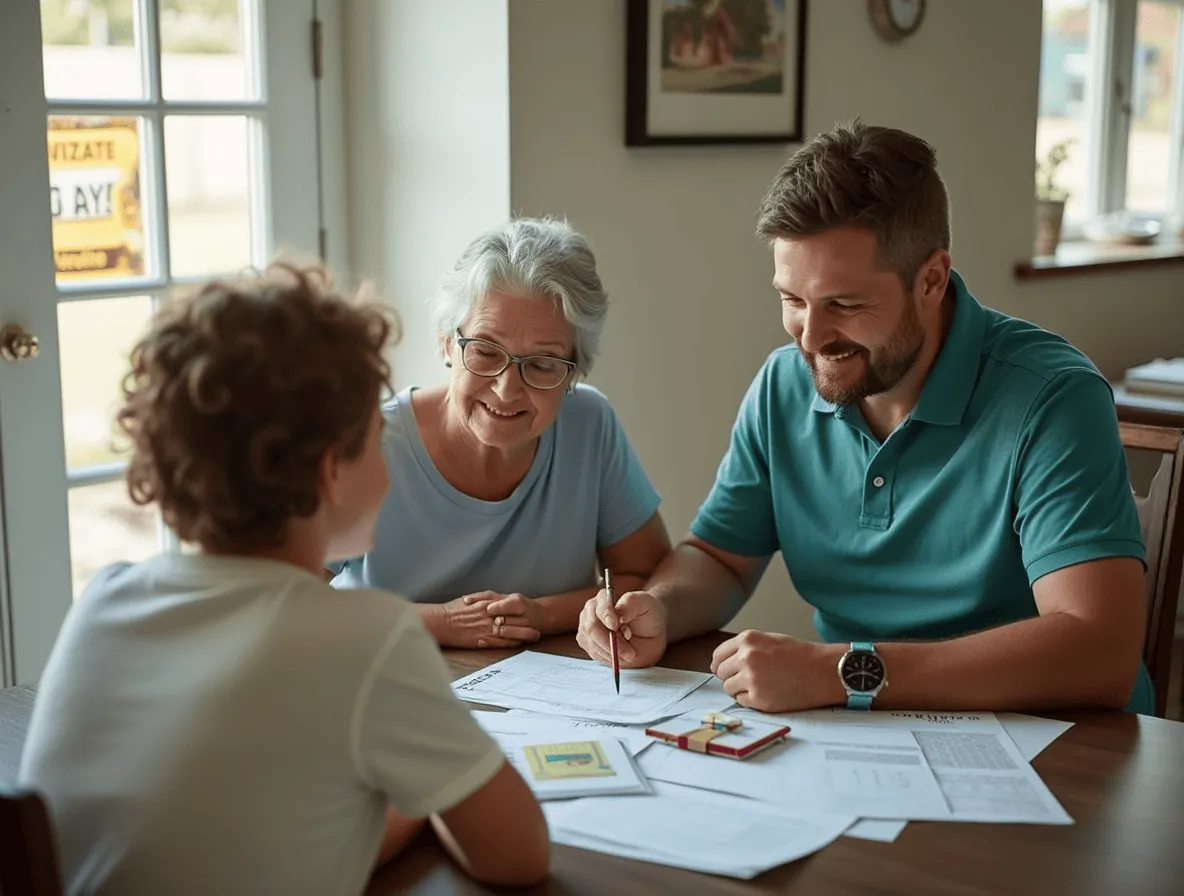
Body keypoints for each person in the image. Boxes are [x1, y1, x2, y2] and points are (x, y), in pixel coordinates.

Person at [577, 121, 1153, 716]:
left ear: (930, 279)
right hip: (867, 736)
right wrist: (661, 607)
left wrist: (847, 671)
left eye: (844, 305)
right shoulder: (782, 386)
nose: (812, 337)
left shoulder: (1053, 398)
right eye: (791, 300)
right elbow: (721, 557)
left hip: (1058, 743)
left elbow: (1099, 653)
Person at [19, 263, 550, 895]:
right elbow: (518, 855)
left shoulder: (102, 602)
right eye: (378, 439)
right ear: (332, 471)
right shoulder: (366, 639)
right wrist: (419, 794)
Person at [332, 217, 671, 649]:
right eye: (486, 351)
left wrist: (542, 613)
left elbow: (647, 578)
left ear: (574, 371)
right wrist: (442, 622)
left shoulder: (589, 423)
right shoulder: (368, 441)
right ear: (445, 345)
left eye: (543, 363)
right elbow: (289, 598)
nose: (507, 389)